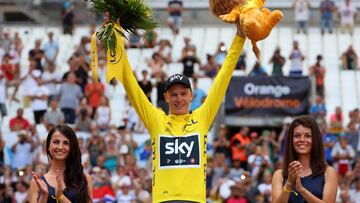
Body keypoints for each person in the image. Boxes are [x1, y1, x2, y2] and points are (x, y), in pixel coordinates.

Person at [111, 11, 246, 202]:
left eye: (183, 93)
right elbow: (129, 82)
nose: (179, 98)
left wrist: (240, 37)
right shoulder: (156, 119)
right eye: (173, 94)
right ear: (165, 97)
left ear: (191, 95)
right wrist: (115, 36)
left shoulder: (202, 117)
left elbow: (224, 75)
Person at [271, 115, 338, 203]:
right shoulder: (279, 175)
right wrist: (289, 183)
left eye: (307, 136)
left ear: (315, 139)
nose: (302, 139)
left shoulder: (328, 172)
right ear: (291, 140)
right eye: (297, 136)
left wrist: (302, 190)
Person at [28, 124, 93, 202]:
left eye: (66, 143)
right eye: (56, 142)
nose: (60, 147)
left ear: (72, 147)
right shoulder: (37, 183)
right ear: (48, 146)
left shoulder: (85, 178)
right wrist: (44, 195)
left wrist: (61, 197)